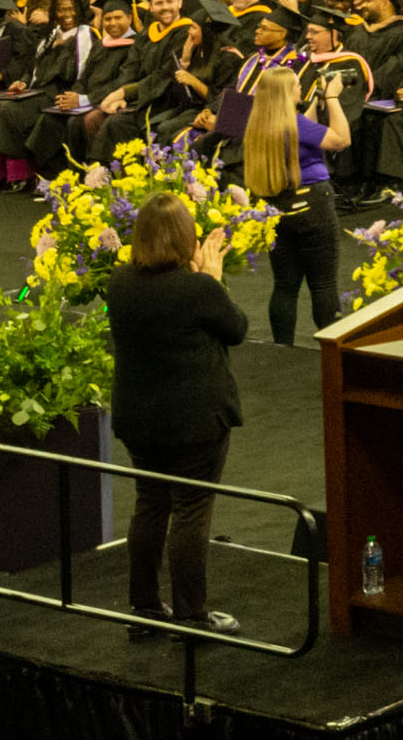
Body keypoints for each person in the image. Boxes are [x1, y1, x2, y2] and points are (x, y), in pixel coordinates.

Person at [105, 194, 248, 635]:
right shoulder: (198, 289)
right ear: (187, 238)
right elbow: (238, 329)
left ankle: (145, 609)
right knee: (191, 509)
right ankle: (192, 616)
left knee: (150, 503)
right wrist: (213, 277)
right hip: (194, 423)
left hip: (139, 420)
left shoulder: (119, 283)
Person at [238, 64, 347, 345]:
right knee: (322, 284)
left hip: (277, 209)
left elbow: (301, 129)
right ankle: (331, 350)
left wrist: (317, 103)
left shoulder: (259, 122)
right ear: (287, 91)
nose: (301, 86)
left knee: (285, 286)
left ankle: (282, 347)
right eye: (297, 84)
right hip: (313, 206)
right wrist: (333, 99)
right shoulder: (294, 124)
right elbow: (340, 139)